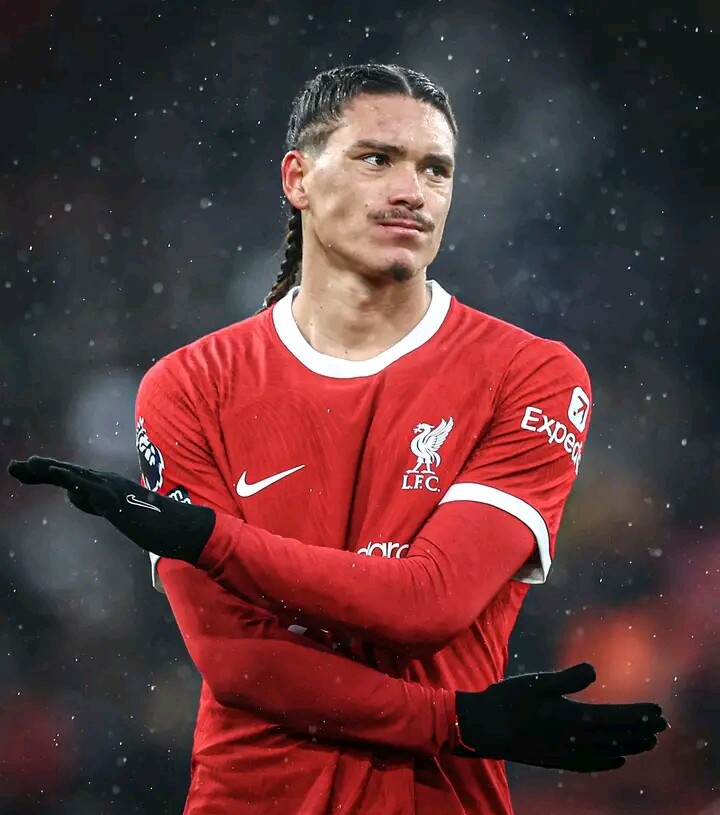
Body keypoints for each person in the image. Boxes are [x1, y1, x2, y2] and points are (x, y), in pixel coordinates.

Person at [8, 64, 667, 815]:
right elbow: (239, 662)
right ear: (298, 178)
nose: (412, 191)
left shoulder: (531, 375)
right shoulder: (189, 386)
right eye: (376, 158)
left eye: (435, 169)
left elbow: (429, 601)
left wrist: (208, 539)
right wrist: (455, 721)